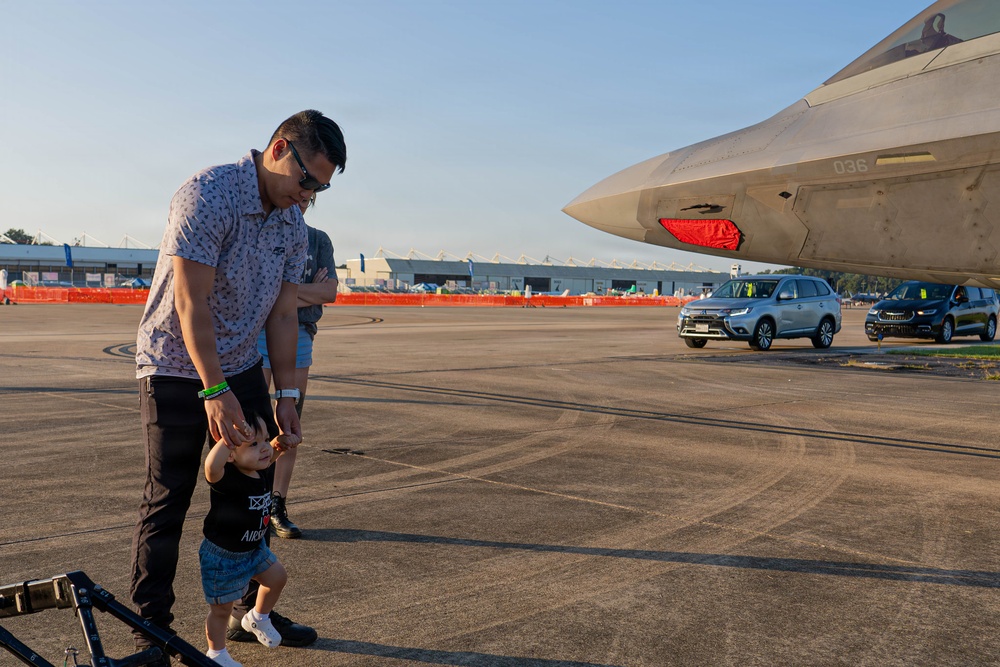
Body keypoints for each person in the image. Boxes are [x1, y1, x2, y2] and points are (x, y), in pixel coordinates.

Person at [131, 109, 346, 661]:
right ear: (279, 149)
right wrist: (212, 390)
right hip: (177, 367)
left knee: (252, 487)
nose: (309, 196)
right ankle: (151, 630)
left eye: (320, 189)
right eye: (307, 181)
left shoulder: (292, 224)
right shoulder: (208, 195)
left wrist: (286, 396)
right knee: (169, 499)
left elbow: (281, 312)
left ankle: (252, 608)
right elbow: (189, 302)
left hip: (243, 364)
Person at [255, 195, 338, 539]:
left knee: (288, 425)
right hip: (258, 332)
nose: (301, 201)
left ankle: (277, 503)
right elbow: (257, 289)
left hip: (300, 336)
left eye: (308, 198)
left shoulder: (318, 240)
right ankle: (252, 502)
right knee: (254, 422)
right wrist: (307, 291)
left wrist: (286, 291)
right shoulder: (263, 233)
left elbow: (330, 291)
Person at [201, 408, 292, 667]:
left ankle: (258, 617)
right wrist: (228, 439)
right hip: (223, 557)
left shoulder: (259, 469)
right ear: (230, 453)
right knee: (221, 610)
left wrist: (279, 445)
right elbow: (210, 465)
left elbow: (270, 454)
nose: (263, 449)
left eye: (264, 440)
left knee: (277, 578)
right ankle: (216, 654)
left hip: (254, 549)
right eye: (253, 444)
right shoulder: (225, 479)